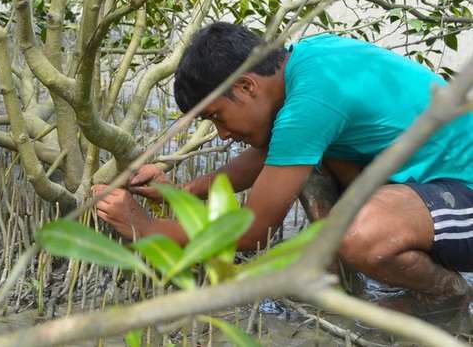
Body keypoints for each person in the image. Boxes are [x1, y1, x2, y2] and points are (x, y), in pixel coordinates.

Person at [94, 22, 473, 301]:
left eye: (217, 117)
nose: (222, 134)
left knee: (359, 233)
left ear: (246, 87)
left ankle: (448, 296)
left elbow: (254, 230)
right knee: (313, 162)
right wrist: (183, 192)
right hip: (430, 186)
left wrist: (145, 227)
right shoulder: (305, 60)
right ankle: (343, 285)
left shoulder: (310, 104)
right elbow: (274, 155)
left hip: (465, 193)